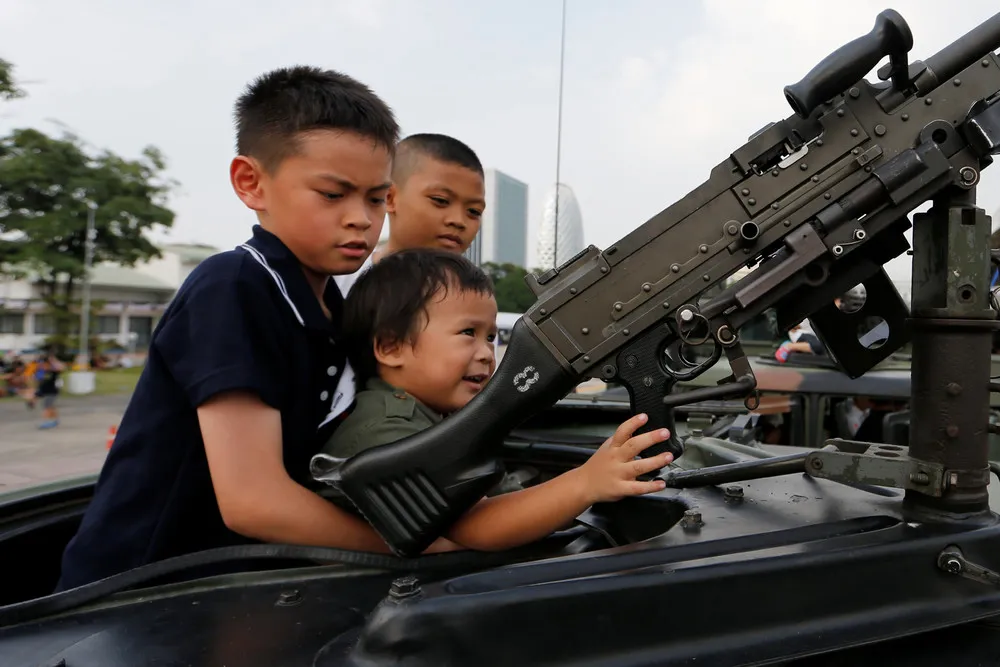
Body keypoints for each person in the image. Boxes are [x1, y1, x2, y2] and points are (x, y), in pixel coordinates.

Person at [56, 66, 454, 592]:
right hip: (131, 596)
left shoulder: (333, 307)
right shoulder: (235, 287)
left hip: (233, 593)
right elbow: (254, 502)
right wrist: (426, 549)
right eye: (333, 194)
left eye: (377, 198)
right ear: (251, 183)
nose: (361, 218)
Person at [318, 249, 674, 552]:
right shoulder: (384, 427)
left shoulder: (430, 418)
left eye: (490, 336)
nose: (487, 353)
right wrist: (585, 483)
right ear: (391, 347)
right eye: (467, 333)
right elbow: (478, 527)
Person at [333, 132, 486, 296]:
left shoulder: (470, 298)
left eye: (473, 211)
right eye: (440, 200)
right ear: (389, 198)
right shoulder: (337, 281)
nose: (458, 221)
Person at [35, 352, 64, 429]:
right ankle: (55, 420)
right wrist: (38, 393)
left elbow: (61, 367)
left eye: (44, 364)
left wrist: (53, 360)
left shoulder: (54, 372)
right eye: (41, 364)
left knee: (47, 407)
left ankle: (46, 421)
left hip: (52, 392)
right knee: (50, 407)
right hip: (45, 392)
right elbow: (41, 383)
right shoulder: (42, 372)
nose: (42, 366)